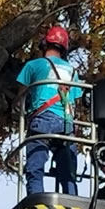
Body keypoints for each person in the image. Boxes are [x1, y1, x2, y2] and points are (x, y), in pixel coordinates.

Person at [15, 26, 83, 195]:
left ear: (45, 44)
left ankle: (36, 202)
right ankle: (72, 207)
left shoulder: (33, 66)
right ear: (65, 48)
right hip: (66, 125)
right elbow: (74, 100)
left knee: (35, 170)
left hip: (42, 121)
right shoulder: (73, 72)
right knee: (68, 175)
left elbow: (20, 98)